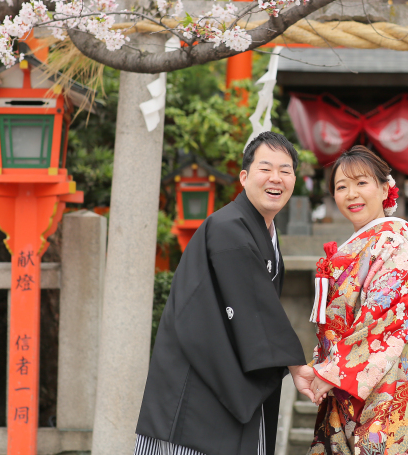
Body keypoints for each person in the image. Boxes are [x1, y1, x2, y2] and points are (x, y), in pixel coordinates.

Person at [134, 132, 316, 455]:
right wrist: (294, 364)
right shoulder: (228, 227)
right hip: (199, 393)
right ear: (244, 177)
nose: (276, 178)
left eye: (285, 170)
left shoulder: (257, 231)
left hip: (225, 382)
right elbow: (253, 307)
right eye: (265, 169)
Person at [307, 146, 408, 455]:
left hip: (391, 387)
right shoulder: (361, 246)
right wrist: (323, 367)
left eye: (361, 183)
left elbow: (383, 318)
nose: (351, 194)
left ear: (385, 189)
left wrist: (332, 371)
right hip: (359, 382)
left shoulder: (392, 244)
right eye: (341, 187)